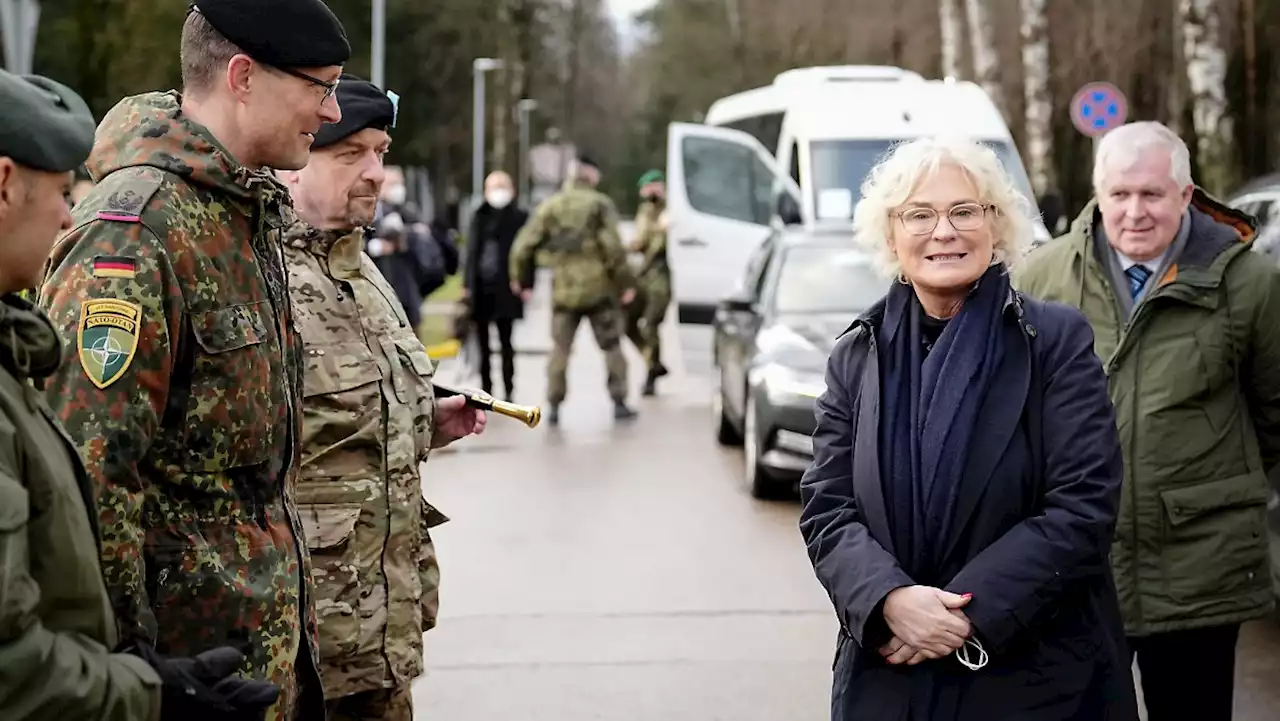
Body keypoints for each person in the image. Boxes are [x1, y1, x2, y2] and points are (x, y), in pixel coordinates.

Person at [36, 2, 351, 719]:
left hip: (252, 659)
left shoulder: (242, 212)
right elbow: (89, 471)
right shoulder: (137, 228)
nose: (332, 111)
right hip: (181, 670)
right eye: (320, 86)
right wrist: (137, 671)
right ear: (243, 76)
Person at [799, 136, 1138, 720]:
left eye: (964, 211)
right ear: (890, 235)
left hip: (1033, 675)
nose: (944, 231)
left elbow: (1083, 505)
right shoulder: (857, 354)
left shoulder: (1054, 342)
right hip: (891, 675)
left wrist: (960, 614)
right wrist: (888, 601)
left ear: (996, 225)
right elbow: (828, 507)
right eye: (919, 214)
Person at [0, 68, 283, 721]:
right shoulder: (133, 228)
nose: (73, 212)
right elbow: (11, 660)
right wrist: (146, 691)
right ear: (6, 184)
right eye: (62, 191)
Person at [1016, 121, 1280, 721]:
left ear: (1186, 196)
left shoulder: (1250, 285)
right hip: (1076, 570)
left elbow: (1273, 414)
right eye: (1120, 195)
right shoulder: (1042, 280)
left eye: (1152, 195)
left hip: (1198, 573)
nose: (1135, 212)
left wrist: (1204, 486)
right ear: (1098, 193)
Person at [277, 75, 486, 721]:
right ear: (294, 161)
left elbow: (340, 417)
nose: (375, 173)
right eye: (350, 155)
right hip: (301, 642)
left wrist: (426, 418)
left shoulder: (362, 271)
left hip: (379, 628)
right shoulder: (262, 274)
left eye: (381, 152)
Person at [509, 155, 639, 425]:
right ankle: (619, 402)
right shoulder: (599, 206)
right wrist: (626, 283)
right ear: (591, 177)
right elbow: (614, 248)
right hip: (599, 289)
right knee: (612, 345)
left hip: (564, 290)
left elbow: (523, 246)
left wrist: (519, 279)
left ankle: (554, 404)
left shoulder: (551, 206)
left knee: (560, 348)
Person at [464, 170, 530, 399]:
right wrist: (467, 284)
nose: (498, 192)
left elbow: (527, 253)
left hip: (507, 286)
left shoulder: (519, 217)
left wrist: (525, 281)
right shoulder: (478, 216)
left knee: (506, 341)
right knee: (482, 342)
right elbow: (470, 253)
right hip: (482, 287)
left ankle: (509, 388)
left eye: (503, 186)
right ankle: (486, 388)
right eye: (494, 187)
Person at [368, 166, 459, 330]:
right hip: (379, 292)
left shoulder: (408, 213)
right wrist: (378, 246)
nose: (397, 189)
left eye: (399, 183)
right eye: (392, 184)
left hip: (408, 292)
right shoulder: (371, 214)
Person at [624, 169, 671, 396]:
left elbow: (659, 246)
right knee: (626, 321)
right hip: (643, 274)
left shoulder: (671, 211)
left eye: (655, 187)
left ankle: (651, 376)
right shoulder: (644, 211)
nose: (650, 192)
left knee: (651, 324)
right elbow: (641, 241)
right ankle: (652, 361)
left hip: (660, 274)